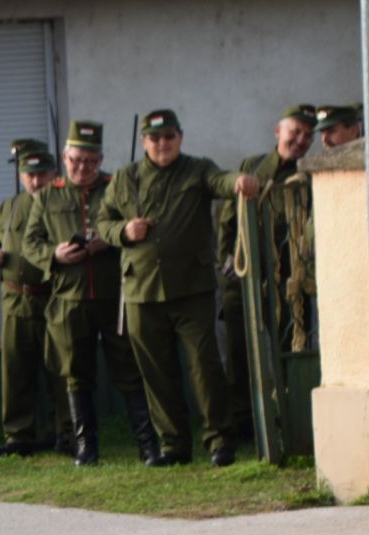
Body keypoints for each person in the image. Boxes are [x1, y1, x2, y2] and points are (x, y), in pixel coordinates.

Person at [97, 110, 259, 467]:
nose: (162, 144)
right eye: (155, 139)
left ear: (180, 138)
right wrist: (124, 231)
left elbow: (220, 181)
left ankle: (219, 440)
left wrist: (239, 182)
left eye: (169, 137)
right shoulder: (125, 178)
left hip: (192, 288)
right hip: (141, 290)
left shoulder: (197, 168)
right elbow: (102, 221)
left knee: (204, 366)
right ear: (144, 143)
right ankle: (173, 444)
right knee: (157, 371)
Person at [23, 120, 159, 466]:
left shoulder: (116, 188)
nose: (82, 169)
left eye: (91, 162)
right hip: (70, 297)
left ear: (100, 160)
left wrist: (110, 240)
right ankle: (86, 448)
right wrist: (54, 255)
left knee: (128, 369)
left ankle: (147, 445)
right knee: (75, 372)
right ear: (64, 158)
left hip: (115, 295)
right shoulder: (49, 194)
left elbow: (134, 229)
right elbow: (30, 242)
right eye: (75, 161)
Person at [218, 104, 317, 439]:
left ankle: (291, 415)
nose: (300, 140)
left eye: (307, 134)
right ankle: (243, 423)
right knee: (240, 352)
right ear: (278, 131)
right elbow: (229, 218)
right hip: (245, 275)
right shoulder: (252, 167)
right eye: (295, 131)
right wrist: (227, 259)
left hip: (290, 276)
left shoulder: (310, 173)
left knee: (291, 345)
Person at [0, 140, 65, 456]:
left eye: (41, 174)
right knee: (15, 370)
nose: (35, 181)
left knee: (58, 368)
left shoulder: (61, 203)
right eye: (29, 175)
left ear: (54, 174)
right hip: (16, 298)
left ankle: (64, 433)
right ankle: (18, 436)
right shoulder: (11, 206)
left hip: (53, 296)